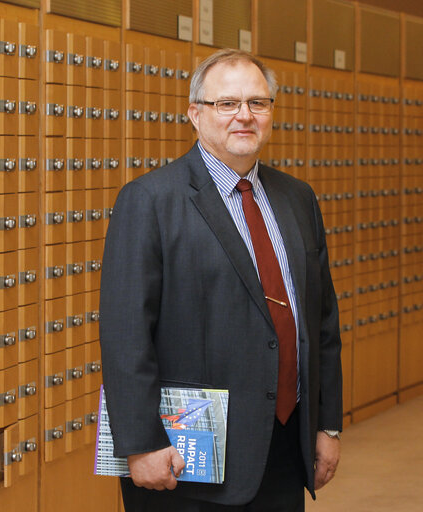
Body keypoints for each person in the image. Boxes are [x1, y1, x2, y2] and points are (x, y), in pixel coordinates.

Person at [99, 48, 342, 511]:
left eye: (258, 102)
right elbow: (126, 334)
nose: (244, 116)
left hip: (285, 444)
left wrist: (327, 424)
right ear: (195, 113)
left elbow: (322, 322)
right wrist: (139, 443)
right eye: (226, 104)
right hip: (185, 461)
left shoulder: (298, 198)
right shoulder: (149, 200)